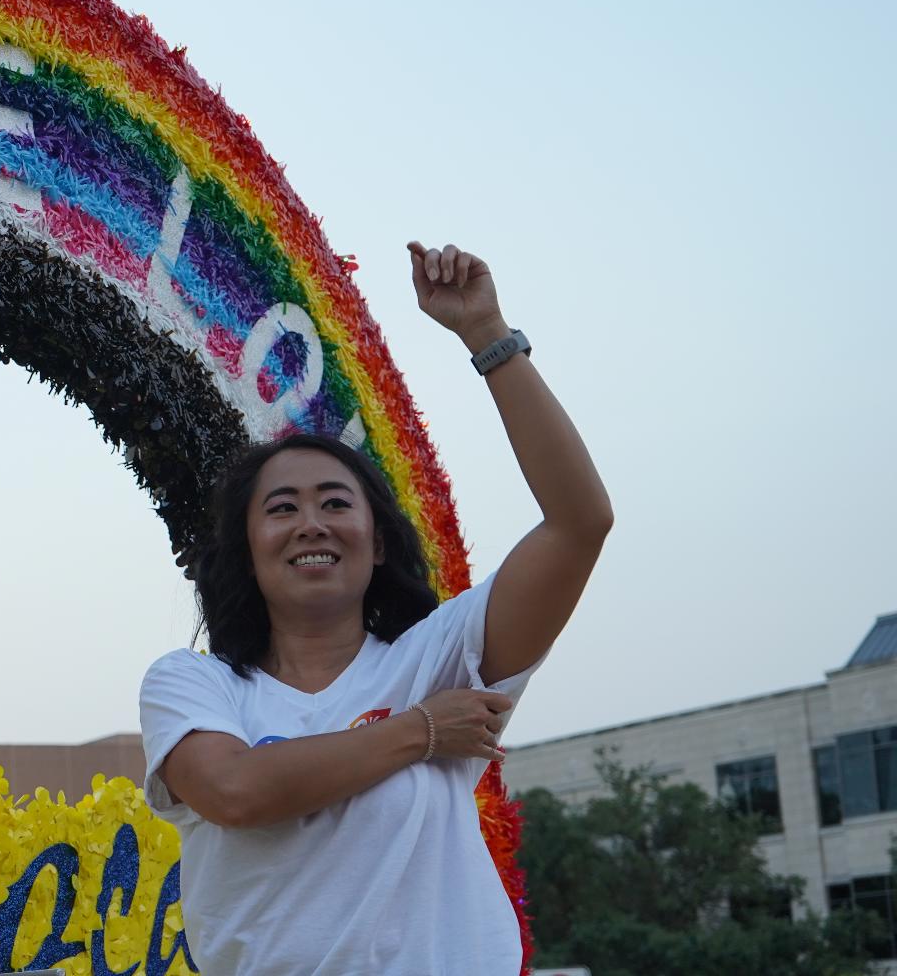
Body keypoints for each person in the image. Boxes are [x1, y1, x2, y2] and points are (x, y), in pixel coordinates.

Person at [139, 242, 612, 975]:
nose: (312, 524)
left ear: (378, 544)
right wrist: (420, 731)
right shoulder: (194, 686)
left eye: (336, 503)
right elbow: (235, 791)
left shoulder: (441, 656)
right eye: (282, 509)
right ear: (245, 551)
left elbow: (579, 523)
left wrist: (489, 336)